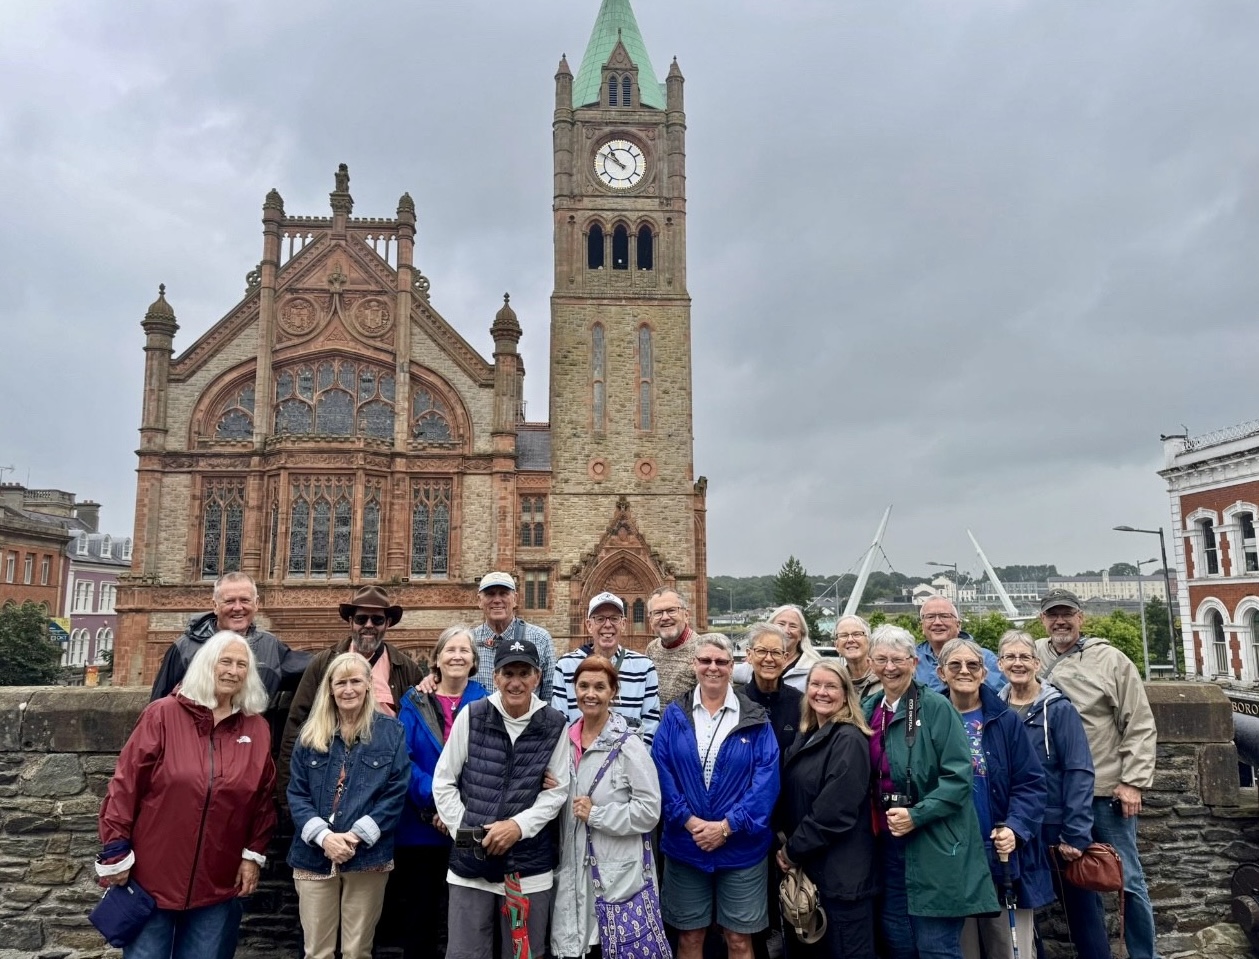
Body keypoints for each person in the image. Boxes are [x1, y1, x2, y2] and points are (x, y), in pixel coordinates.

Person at [97, 632, 276, 959]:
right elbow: (125, 787)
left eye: (242, 665)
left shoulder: (257, 729)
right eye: (225, 661)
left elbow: (262, 801)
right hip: (151, 877)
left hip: (217, 881)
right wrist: (115, 851)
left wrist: (252, 855)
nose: (233, 671)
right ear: (206, 664)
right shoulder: (162, 715)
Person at [1035, 588, 1159, 959]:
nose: (1060, 621)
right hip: (1056, 793)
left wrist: (1133, 781)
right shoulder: (1033, 654)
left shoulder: (1111, 659)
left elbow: (1138, 722)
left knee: (1127, 880)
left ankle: (1143, 954)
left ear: (1081, 617)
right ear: (1042, 620)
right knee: (1074, 881)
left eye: (1067, 614)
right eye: (1053, 614)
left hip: (1104, 791)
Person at [862, 625, 998, 959]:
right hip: (886, 841)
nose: (890, 667)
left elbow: (959, 778)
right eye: (881, 659)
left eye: (898, 659)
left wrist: (916, 815)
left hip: (934, 840)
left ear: (914, 663)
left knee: (936, 944)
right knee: (898, 939)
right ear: (870, 663)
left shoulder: (937, 708)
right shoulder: (868, 708)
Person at [433, 637, 570, 959]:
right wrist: (468, 834)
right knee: (466, 954)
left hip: (528, 866)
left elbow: (557, 791)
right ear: (495, 677)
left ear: (537, 677)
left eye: (524, 673)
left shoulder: (554, 724)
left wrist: (517, 827)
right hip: (471, 868)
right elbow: (444, 781)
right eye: (508, 673)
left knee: (524, 954)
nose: (516, 682)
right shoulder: (473, 715)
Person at [652, 634, 780, 959]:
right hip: (686, 845)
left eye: (721, 662)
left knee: (738, 939)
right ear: (694, 664)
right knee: (689, 936)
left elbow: (766, 782)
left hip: (741, 849)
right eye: (705, 660)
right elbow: (662, 771)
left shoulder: (754, 717)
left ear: (732, 666)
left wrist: (727, 827)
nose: (713, 667)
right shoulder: (674, 715)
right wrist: (687, 820)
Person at [287, 652, 410, 959]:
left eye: (356, 681)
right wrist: (325, 837)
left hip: (367, 854)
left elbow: (396, 792)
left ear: (369, 684)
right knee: (317, 952)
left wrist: (355, 836)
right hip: (314, 854)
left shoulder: (390, 732)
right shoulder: (310, 733)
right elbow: (297, 793)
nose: (348, 689)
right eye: (340, 682)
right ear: (330, 688)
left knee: (358, 951)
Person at [997, 630, 1109, 959]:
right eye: (1010, 657)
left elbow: (1079, 770)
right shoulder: (996, 709)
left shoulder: (1059, 710)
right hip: (1015, 828)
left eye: (1025, 657)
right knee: (1026, 915)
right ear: (1000, 664)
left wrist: (1076, 832)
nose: (1018, 663)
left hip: (1055, 828)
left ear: (1036, 663)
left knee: (1082, 914)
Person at [937, 637, 1049, 959]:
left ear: (984, 673)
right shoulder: (929, 718)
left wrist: (1015, 828)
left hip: (1000, 855)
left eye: (973, 665)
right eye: (955, 665)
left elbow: (1031, 783)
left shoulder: (1006, 720)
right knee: (962, 950)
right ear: (941, 673)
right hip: (950, 856)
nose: (964, 671)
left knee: (1008, 949)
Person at [552, 656, 664, 959]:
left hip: (617, 876)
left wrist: (597, 815)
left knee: (612, 948)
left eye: (600, 687)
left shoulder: (628, 745)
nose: (590, 694)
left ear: (613, 692)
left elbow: (649, 811)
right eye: (584, 686)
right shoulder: (563, 742)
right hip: (573, 869)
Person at [396, 626, 489, 959]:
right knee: (419, 915)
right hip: (420, 826)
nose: (457, 656)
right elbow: (402, 760)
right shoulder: (414, 701)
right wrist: (436, 803)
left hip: (467, 826)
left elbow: (488, 763)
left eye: (464, 651)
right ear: (436, 659)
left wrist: (453, 810)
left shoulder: (487, 704)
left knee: (468, 915)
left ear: (474, 661)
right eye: (450, 650)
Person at [776, 660, 877, 959]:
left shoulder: (848, 739)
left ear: (846, 695)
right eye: (815, 685)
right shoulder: (808, 734)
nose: (821, 692)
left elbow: (834, 811)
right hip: (814, 873)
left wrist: (792, 851)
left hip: (842, 882)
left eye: (831, 686)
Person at [280, 586, 424, 794]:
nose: (368, 625)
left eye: (377, 620)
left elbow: (420, 731)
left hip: (384, 782)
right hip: (328, 778)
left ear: (387, 623)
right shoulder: (323, 663)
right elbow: (296, 726)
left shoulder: (406, 668)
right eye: (361, 619)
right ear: (350, 622)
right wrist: (286, 795)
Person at [149, 571, 310, 706]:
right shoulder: (185, 647)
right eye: (229, 601)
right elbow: (158, 706)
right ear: (215, 605)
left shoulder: (269, 645)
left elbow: (313, 669)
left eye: (245, 600)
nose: (238, 608)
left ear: (256, 604)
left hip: (251, 733)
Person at [551, 591, 663, 744]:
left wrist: (635, 757)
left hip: (629, 755)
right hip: (578, 755)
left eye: (614, 618)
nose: (608, 624)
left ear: (623, 624)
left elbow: (650, 725)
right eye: (600, 619)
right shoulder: (565, 666)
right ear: (589, 625)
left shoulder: (644, 667)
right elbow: (560, 722)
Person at [472, 571, 557, 702]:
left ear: (515, 599)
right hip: (479, 715)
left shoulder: (540, 638)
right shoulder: (469, 642)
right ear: (479, 600)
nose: (497, 600)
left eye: (503, 594)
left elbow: (549, 693)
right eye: (490, 594)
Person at [914, 596, 1005, 694]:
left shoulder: (985, 658)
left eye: (944, 616)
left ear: (958, 625)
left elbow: (1002, 697)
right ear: (922, 626)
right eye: (930, 617)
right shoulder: (913, 660)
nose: (937, 622)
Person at [740, 622, 803, 755]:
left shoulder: (799, 702)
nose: (769, 659)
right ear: (749, 655)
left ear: (785, 658)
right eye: (761, 651)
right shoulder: (736, 700)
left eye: (776, 652)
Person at [734, 605, 820, 693]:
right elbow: (728, 670)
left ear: (801, 635)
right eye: (781, 624)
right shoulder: (753, 664)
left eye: (793, 626)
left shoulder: (813, 668)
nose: (786, 631)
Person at [644, 586, 702, 706]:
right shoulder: (651, 649)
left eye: (671, 610)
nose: (665, 617)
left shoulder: (703, 650)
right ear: (650, 621)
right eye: (658, 613)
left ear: (686, 615)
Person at [834, 614, 881, 700]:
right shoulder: (835, 681)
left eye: (857, 634)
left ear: (869, 641)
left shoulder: (884, 677)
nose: (850, 640)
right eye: (844, 635)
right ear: (836, 645)